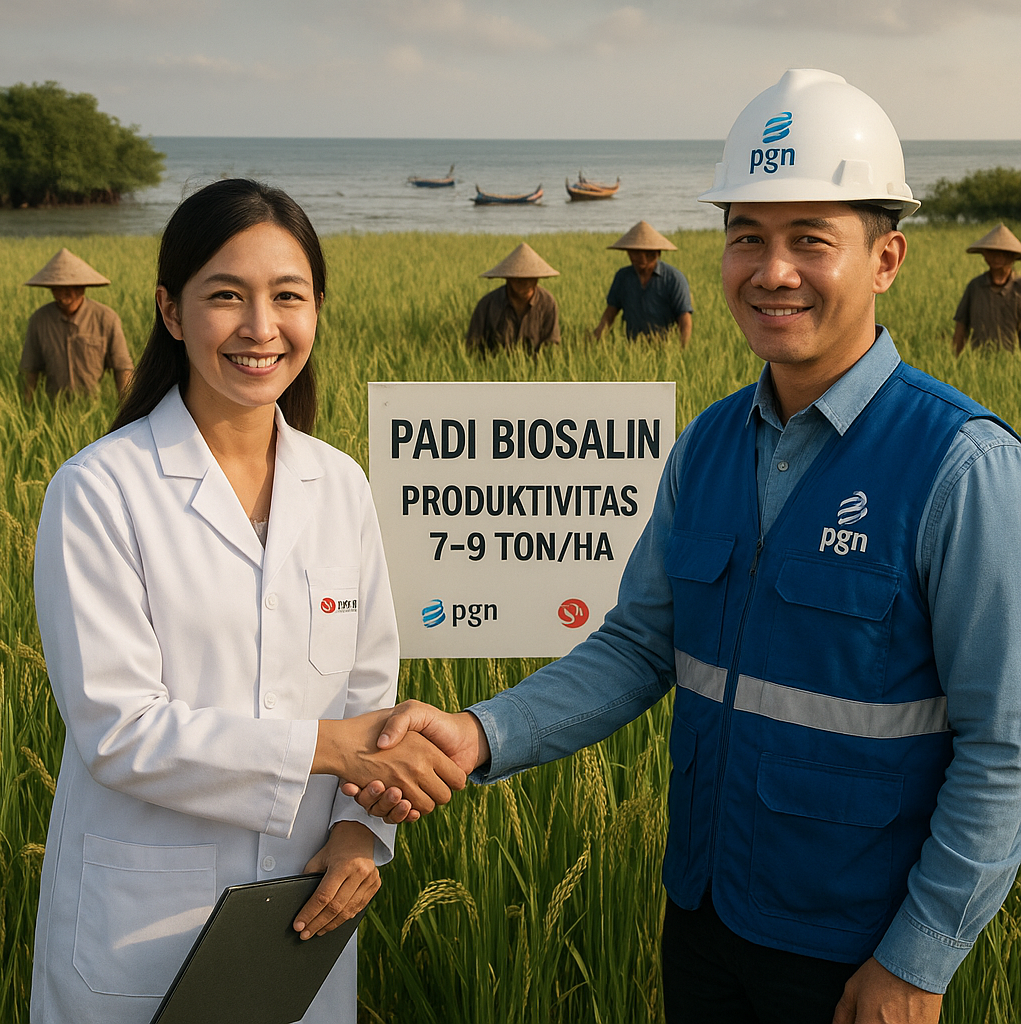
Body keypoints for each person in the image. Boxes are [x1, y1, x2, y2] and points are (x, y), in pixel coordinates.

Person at [348, 70, 1021, 1024]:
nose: (771, 269)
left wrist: (919, 960)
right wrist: (481, 733)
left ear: (887, 260)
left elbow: (1008, 743)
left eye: (810, 241)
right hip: (702, 916)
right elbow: (638, 648)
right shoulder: (708, 445)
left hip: (854, 948)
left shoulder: (962, 466)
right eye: (747, 236)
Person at [29, 179, 465, 1024]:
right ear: (169, 310)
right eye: (226, 296)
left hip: (298, 916)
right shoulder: (100, 491)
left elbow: (368, 695)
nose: (261, 328)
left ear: (317, 310)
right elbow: (120, 732)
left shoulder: (339, 485)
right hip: (142, 927)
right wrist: (335, 749)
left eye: (288, 297)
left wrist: (358, 836)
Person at [20, 248, 134, 401]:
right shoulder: (39, 319)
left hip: (94, 404)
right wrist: (27, 407)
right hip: (54, 407)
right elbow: (31, 369)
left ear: (82, 287)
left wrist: (126, 411)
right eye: (56, 289)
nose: (62, 294)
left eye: (69, 288)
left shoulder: (106, 318)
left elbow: (122, 367)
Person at [592, 220, 693, 345]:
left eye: (648, 254)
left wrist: (683, 349)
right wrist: (596, 337)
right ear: (628, 253)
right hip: (632, 347)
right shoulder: (623, 277)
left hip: (666, 346)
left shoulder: (674, 278)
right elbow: (610, 313)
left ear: (657, 253)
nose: (641, 258)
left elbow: (684, 318)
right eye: (635, 253)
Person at [466, 242, 561, 354]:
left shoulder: (547, 303)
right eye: (516, 277)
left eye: (528, 277)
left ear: (537, 278)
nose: (522, 282)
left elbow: (551, 346)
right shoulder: (487, 304)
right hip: (495, 368)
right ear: (507, 277)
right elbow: (473, 347)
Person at [951, 223, 1021, 353]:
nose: (996, 257)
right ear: (984, 254)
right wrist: (954, 361)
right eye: (991, 252)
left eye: (1002, 253)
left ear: (1012, 256)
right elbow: (961, 325)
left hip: (1014, 362)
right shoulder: (975, 286)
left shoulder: (1019, 288)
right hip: (980, 360)